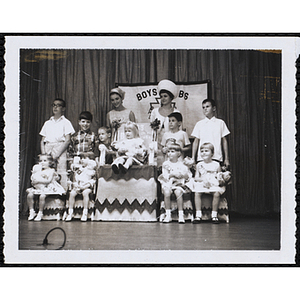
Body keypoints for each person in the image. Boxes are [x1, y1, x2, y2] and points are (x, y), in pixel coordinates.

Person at [39, 98, 75, 190]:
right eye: (54, 105)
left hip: (60, 148)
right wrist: (45, 155)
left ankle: (61, 194)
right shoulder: (47, 123)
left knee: (60, 171)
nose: (55, 107)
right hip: (48, 148)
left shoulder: (66, 122)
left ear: (63, 109)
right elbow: (42, 140)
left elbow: (67, 140)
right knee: (46, 170)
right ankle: (46, 192)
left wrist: (57, 154)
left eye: (58, 105)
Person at [158, 143, 192, 224]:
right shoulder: (166, 164)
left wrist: (181, 175)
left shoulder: (182, 164)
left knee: (178, 192)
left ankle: (181, 214)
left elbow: (187, 175)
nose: (169, 153)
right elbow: (165, 176)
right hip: (168, 183)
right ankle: (168, 214)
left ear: (179, 154)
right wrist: (172, 175)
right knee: (166, 192)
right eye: (168, 151)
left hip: (179, 184)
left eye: (172, 151)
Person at [192, 142, 226, 224]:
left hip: (213, 184)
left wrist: (219, 180)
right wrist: (203, 181)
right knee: (197, 193)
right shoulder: (199, 164)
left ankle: (214, 215)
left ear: (212, 153)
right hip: (202, 183)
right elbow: (196, 177)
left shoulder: (216, 164)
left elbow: (219, 176)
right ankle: (198, 215)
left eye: (206, 151)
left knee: (217, 193)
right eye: (202, 151)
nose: (204, 153)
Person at [150, 79, 181, 166]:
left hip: (171, 145)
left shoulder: (176, 112)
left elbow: (179, 131)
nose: (163, 99)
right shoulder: (154, 112)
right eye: (161, 96)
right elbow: (151, 131)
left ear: (171, 98)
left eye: (165, 96)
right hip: (157, 144)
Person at [191, 98, 230, 168]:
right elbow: (196, 142)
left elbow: (224, 141)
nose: (205, 109)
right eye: (203, 107)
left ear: (214, 108)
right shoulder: (199, 124)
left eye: (207, 107)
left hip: (216, 157)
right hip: (202, 157)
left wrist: (226, 158)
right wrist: (193, 158)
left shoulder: (220, 123)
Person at [27, 154, 65, 221]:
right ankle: (32, 211)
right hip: (40, 187)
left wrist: (38, 181)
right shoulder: (38, 170)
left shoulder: (51, 170)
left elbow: (48, 181)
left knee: (42, 196)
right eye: (40, 161)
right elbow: (33, 180)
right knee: (29, 195)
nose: (42, 162)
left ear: (50, 162)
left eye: (45, 160)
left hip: (50, 187)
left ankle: (40, 212)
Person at [65, 156, 97, 222]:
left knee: (85, 193)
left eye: (84, 158)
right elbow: (76, 179)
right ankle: (70, 212)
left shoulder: (91, 171)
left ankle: (85, 212)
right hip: (79, 185)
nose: (82, 160)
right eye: (81, 158)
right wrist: (76, 185)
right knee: (72, 193)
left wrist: (84, 186)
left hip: (87, 186)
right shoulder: (79, 169)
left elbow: (92, 181)